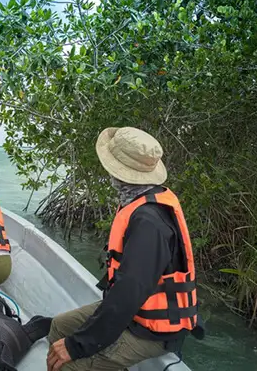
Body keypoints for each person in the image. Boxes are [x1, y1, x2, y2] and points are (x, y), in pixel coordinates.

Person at [47, 127, 203, 371]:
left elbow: (130, 292)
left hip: (152, 330)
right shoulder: (139, 200)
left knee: (67, 365)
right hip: (135, 313)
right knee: (58, 325)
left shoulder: (149, 222)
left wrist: (77, 345)